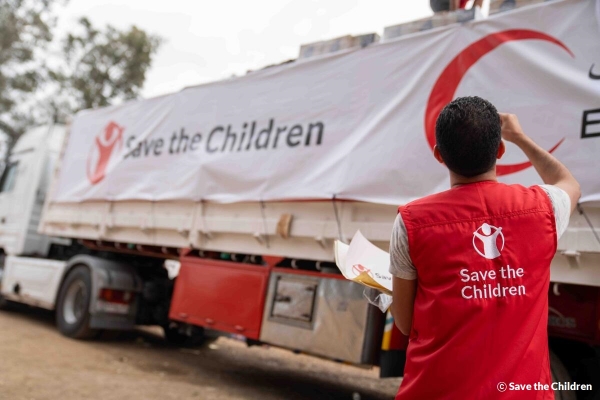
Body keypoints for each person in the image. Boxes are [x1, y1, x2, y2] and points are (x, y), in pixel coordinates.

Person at [389, 96, 580, 399]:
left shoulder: (412, 222)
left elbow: (404, 322)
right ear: (500, 151)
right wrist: (520, 137)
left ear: (439, 155)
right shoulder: (544, 208)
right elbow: (567, 181)